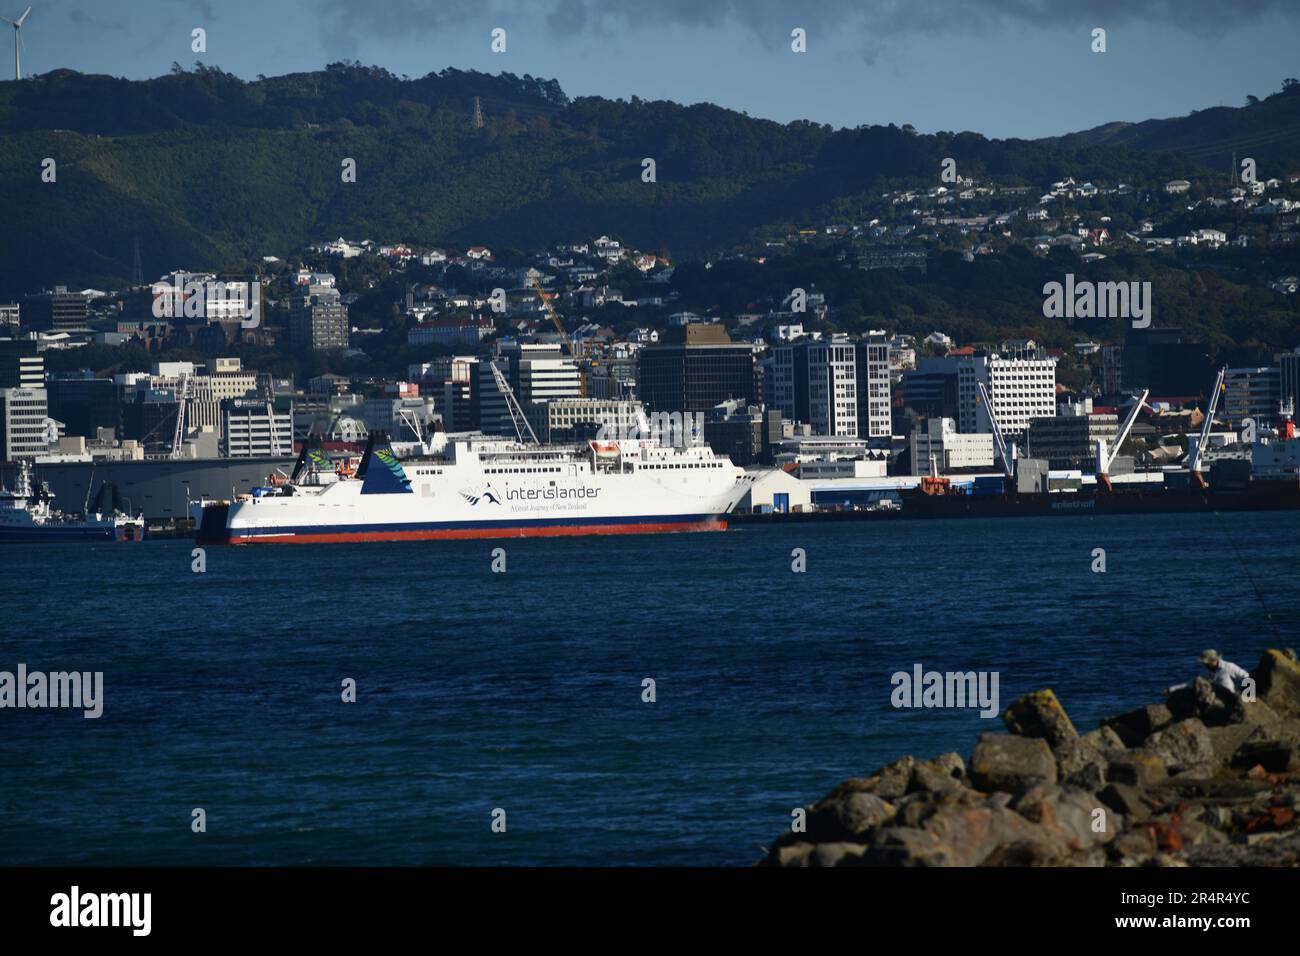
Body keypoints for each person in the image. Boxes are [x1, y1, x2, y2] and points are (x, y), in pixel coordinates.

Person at [1165, 649, 1251, 695]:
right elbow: (1191, 683)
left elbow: (1247, 676)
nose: (1204, 665)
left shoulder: (1228, 667)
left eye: (1206, 663)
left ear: (1213, 661)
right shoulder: (1206, 672)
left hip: (1231, 698)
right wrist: (1171, 689)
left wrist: (1249, 698)